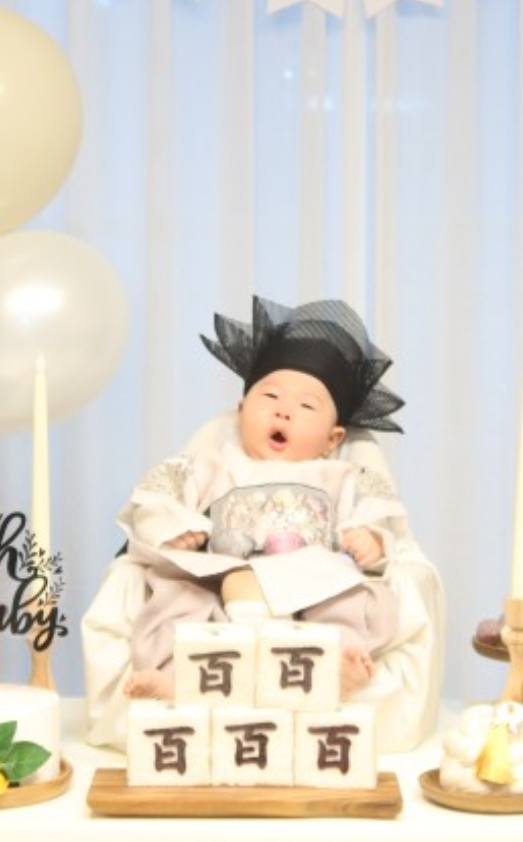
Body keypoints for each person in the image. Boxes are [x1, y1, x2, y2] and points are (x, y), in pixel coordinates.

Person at [120, 295, 409, 701]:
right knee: (177, 597)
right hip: (223, 575)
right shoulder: (214, 463)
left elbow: (374, 512)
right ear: (241, 410)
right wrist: (175, 528)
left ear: (333, 438)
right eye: (270, 397)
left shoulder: (341, 474)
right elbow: (158, 497)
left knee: (347, 596)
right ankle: (175, 677)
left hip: (310, 578)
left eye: (306, 406)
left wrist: (370, 537)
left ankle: (335, 668)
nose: (284, 412)